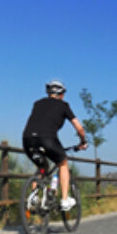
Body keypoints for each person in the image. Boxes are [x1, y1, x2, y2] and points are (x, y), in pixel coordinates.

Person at [22, 80, 88, 211]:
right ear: (61, 94)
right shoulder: (64, 105)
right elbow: (79, 128)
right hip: (47, 139)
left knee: (42, 166)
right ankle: (64, 200)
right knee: (63, 163)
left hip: (27, 139)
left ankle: (34, 196)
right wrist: (83, 141)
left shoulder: (37, 103)